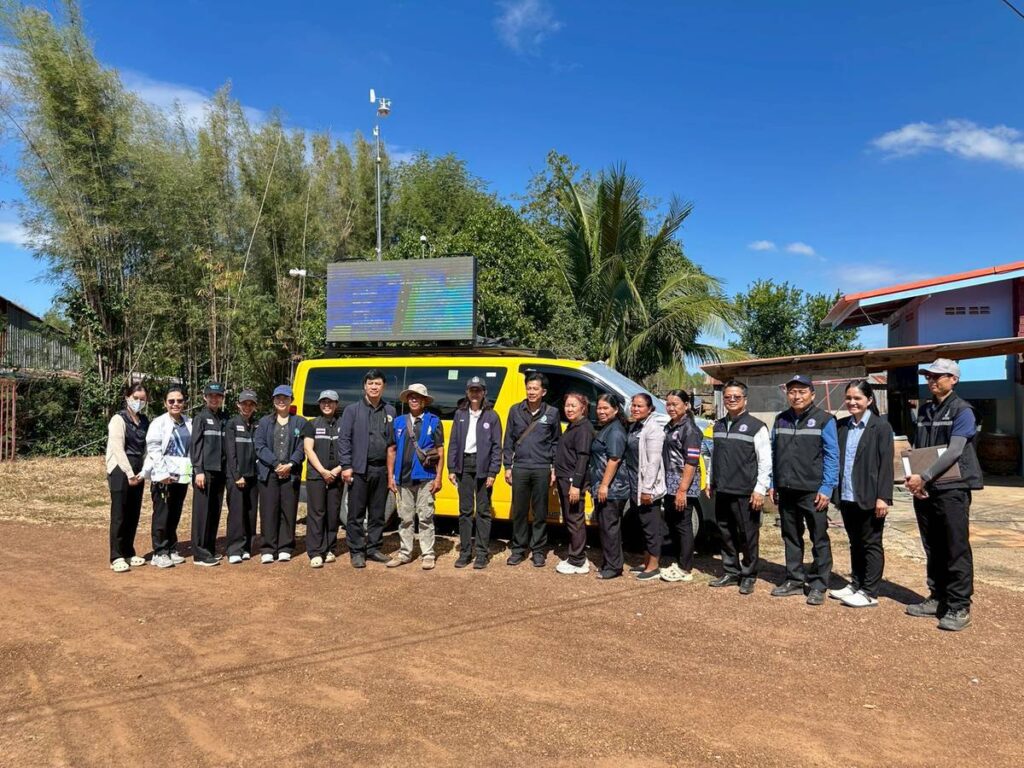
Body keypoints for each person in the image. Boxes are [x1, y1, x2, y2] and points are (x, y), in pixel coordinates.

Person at [904, 359, 983, 632]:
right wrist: (915, 478)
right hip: (925, 489)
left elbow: (954, 450)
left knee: (955, 546)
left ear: (954, 379)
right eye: (929, 376)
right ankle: (937, 597)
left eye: (938, 376)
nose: (932, 381)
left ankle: (959, 605)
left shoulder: (963, 411)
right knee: (932, 545)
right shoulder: (926, 410)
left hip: (952, 489)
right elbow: (919, 449)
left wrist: (923, 476)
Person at [769, 374, 839, 605]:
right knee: (791, 536)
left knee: (819, 537)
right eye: (792, 392)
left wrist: (827, 487)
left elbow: (831, 455)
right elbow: (774, 453)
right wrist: (773, 483)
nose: (796, 396)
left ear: (812, 394)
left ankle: (819, 584)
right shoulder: (780, 420)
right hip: (786, 489)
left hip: (813, 491)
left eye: (802, 391)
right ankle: (794, 580)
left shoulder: (825, 419)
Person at [830, 380, 894, 608]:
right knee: (854, 542)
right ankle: (855, 583)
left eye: (857, 398)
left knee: (871, 543)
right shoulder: (842, 426)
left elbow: (886, 464)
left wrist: (883, 497)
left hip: (870, 496)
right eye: (848, 398)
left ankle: (870, 591)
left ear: (869, 400)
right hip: (847, 495)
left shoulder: (881, 427)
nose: (852, 402)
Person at [707, 380, 771, 594]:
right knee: (725, 532)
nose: (732, 400)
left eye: (736, 397)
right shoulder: (717, 425)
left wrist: (760, 489)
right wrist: (710, 481)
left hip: (746, 492)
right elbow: (714, 455)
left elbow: (765, 461)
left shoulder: (756, 426)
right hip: (722, 489)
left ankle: (748, 574)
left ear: (745, 399)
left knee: (747, 535)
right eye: (728, 397)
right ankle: (730, 571)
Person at [503, 372, 562, 567]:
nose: (531, 392)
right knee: (519, 512)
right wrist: (507, 466)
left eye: (535, 389)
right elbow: (509, 439)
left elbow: (555, 443)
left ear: (543, 391)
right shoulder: (515, 410)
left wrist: (554, 468)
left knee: (540, 511)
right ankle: (518, 549)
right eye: (529, 388)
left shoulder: (552, 413)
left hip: (542, 467)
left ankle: (538, 550)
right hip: (520, 467)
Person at [339, 369, 396, 568]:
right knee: (355, 513)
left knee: (378, 513)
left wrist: (391, 473)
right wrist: (346, 466)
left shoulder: (390, 411)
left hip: (381, 470)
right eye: (370, 383)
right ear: (364, 386)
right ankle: (356, 551)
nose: (374, 387)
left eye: (378, 384)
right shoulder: (352, 410)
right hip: (358, 470)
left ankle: (373, 548)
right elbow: (344, 440)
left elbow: (392, 443)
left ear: (383, 387)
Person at [388, 383, 444, 570]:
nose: (414, 399)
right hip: (403, 478)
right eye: (411, 396)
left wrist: (438, 478)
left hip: (426, 477)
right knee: (405, 518)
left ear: (424, 401)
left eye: (418, 397)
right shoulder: (398, 422)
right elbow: (392, 450)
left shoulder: (433, 421)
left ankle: (428, 554)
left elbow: (440, 451)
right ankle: (405, 552)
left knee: (426, 517)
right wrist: (391, 476)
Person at [448, 376, 502, 570]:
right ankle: (465, 552)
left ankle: (481, 553)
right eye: (472, 390)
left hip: (483, 466)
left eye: (478, 390)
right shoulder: (460, 414)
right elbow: (453, 443)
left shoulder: (492, 416)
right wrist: (451, 468)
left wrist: (493, 471)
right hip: (464, 464)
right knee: (464, 511)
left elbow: (497, 446)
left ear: (484, 392)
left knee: (484, 511)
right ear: (467, 392)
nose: (475, 393)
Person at [254, 385, 307, 564]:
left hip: (290, 474)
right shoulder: (264, 422)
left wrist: (290, 464)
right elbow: (259, 445)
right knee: (269, 511)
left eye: (285, 398)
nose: (281, 401)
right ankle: (268, 548)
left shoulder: (300, 422)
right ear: (273, 400)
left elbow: (302, 447)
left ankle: (285, 547)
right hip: (269, 473)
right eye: (278, 398)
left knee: (288, 510)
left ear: (291, 400)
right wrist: (277, 464)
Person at [144, 386, 192, 569]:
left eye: (179, 401)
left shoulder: (189, 422)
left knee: (175, 512)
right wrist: (162, 474)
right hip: (163, 476)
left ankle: (172, 548)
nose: (176, 404)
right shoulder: (158, 423)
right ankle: (160, 552)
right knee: (162, 513)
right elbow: (154, 449)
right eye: (171, 401)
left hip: (181, 475)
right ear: (165, 403)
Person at [105, 383, 150, 572]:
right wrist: (129, 473)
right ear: (127, 397)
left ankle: (129, 552)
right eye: (136, 398)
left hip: (138, 470)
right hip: (120, 470)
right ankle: (116, 556)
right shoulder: (118, 419)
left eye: (142, 399)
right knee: (120, 514)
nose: (139, 402)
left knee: (133, 513)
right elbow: (117, 448)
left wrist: (144, 471)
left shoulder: (144, 421)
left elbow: (147, 448)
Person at [661, 389, 702, 583]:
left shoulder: (690, 429)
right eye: (668, 404)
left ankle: (686, 568)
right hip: (670, 483)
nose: (671, 408)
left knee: (684, 525)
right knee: (675, 524)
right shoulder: (671, 426)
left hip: (682, 484)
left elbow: (691, 462)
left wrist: (682, 490)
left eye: (675, 404)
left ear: (686, 406)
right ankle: (678, 562)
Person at [624, 393, 666, 581]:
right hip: (635, 483)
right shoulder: (635, 426)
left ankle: (654, 566)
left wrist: (647, 488)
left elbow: (654, 462)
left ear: (650, 409)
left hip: (647, 486)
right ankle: (646, 560)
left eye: (640, 406)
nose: (635, 409)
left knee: (651, 526)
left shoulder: (653, 430)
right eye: (633, 405)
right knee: (642, 525)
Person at [589, 393, 630, 579]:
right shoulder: (608, 427)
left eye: (606, 408)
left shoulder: (615, 431)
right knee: (606, 526)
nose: (601, 411)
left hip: (613, 489)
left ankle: (613, 567)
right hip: (604, 486)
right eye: (599, 408)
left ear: (615, 409)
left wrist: (604, 485)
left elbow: (614, 459)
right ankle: (610, 562)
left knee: (610, 527)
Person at [554, 392, 595, 575]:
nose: (569, 409)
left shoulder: (584, 428)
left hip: (573, 481)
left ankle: (578, 560)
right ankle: (575, 556)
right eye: (567, 405)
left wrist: (576, 484)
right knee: (571, 518)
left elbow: (582, 458)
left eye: (573, 405)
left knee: (575, 519)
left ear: (583, 408)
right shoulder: (573, 426)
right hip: (564, 478)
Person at [302, 389, 344, 569]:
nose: (327, 405)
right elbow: (308, 450)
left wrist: (336, 470)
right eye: (323, 402)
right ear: (319, 404)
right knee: (317, 513)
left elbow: (349, 449)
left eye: (331, 402)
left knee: (333, 513)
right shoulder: (311, 424)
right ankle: (315, 552)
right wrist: (323, 471)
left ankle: (329, 549)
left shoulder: (343, 424)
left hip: (337, 475)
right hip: (316, 476)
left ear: (336, 404)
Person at [190, 381, 228, 567]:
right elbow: (195, 446)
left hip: (220, 472)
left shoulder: (224, 418)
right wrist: (198, 470)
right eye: (211, 396)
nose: (214, 399)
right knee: (202, 513)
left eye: (218, 396)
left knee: (214, 511)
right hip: (204, 472)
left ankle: (210, 548)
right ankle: (199, 553)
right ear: (205, 397)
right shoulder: (201, 418)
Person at [224, 389, 260, 565]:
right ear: (238, 404)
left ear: (255, 406)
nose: (247, 406)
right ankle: (234, 549)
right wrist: (237, 474)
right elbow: (230, 453)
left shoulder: (257, 425)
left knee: (251, 512)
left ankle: (247, 547)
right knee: (237, 513)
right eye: (244, 403)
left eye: (251, 404)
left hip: (254, 476)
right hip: (236, 476)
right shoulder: (232, 424)